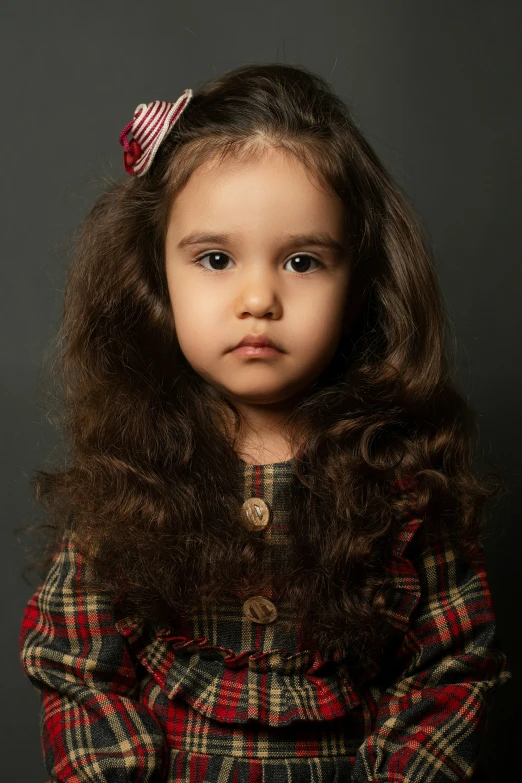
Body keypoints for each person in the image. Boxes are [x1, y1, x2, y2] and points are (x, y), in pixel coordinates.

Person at [19, 62, 512, 783]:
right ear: (155, 277)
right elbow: (75, 659)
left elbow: (450, 666)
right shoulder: (131, 472)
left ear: (362, 283)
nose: (259, 298)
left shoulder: (399, 482)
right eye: (216, 259)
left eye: (303, 261)